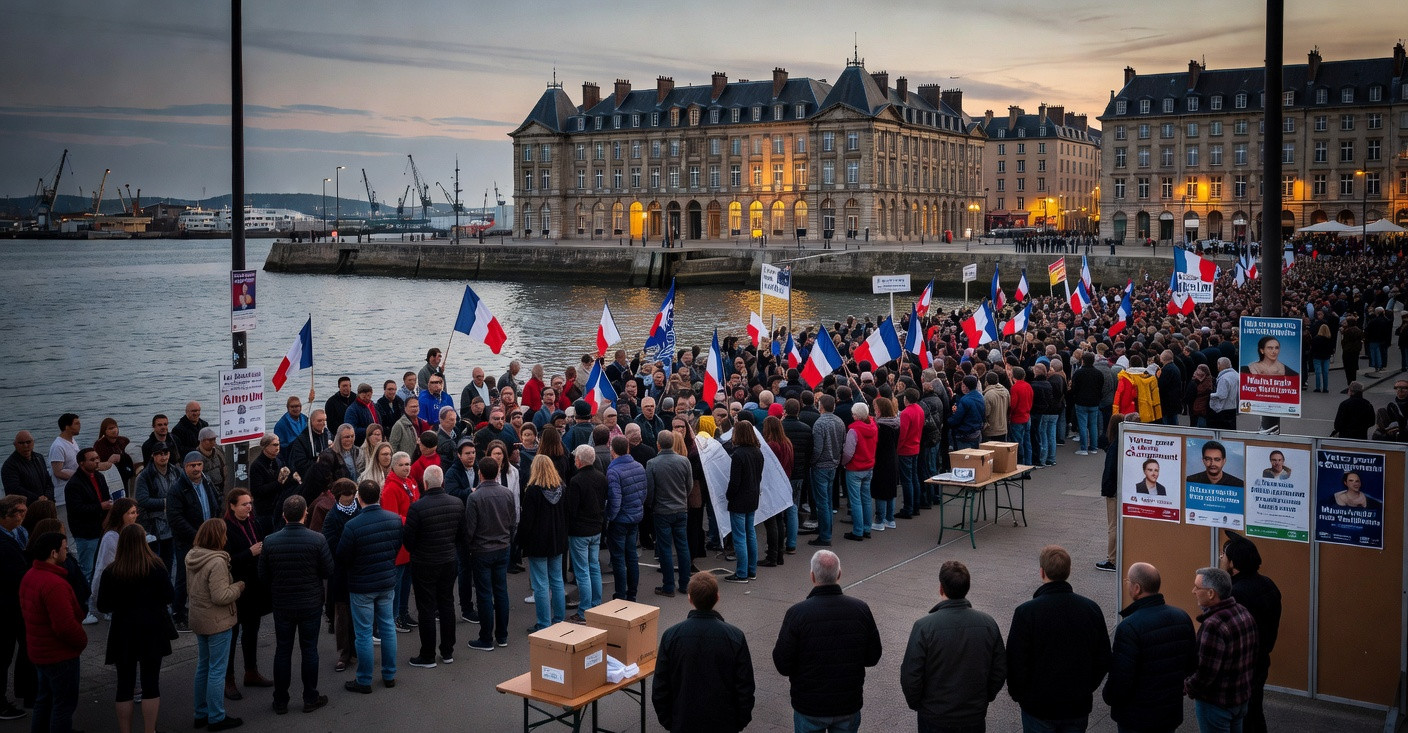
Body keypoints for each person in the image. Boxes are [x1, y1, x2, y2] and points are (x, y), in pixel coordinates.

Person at [771, 550, 881, 733]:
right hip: (848, 703)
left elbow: (782, 664)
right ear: (839, 574)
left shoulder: (797, 614)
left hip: (809, 705)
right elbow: (873, 657)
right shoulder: (860, 610)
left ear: (812, 576)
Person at [1005, 545, 1111, 732]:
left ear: (1042, 572)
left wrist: (1021, 696)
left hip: (1038, 707)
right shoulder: (1090, 609)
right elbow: (1103, 658)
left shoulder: (1026, 612)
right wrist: (1086, 687)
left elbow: (1015, 661)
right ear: (1068, 571)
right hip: (1076, 705)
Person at [900, 560, 1006, 733]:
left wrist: (919, 705)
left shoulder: (924, 627)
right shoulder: (988, 624)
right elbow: (999, 669)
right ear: (967, 588)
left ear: (941, 588)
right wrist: (985, 697)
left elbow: (911, 674)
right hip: (973, 715)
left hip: (935, 716)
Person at [95, 524, 175, 733]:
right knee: (151, 684)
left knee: (124, 685)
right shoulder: (156, 566)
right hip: (152, 629)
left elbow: (102, 605)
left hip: (123, 631)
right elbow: (169, 595)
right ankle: (150, 730)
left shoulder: (112, 571)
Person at [652, 572, 755, 733]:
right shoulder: (734, 637)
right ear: (717, 597)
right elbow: (745, 686)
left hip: (683, 722)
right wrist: (739, 721)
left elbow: (660, 687)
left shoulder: (671, 636)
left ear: (689, 598)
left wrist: (670, 722)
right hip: (724, 723)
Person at [259, 495, 333, 715]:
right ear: (305, 514)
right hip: (310, 603)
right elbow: (329, 571)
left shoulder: (270, 541)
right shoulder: (317, 540)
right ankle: (310, 697)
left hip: (283, 604)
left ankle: (280, 700)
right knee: (309, 649)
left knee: (283, 650)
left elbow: (263, 575)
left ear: (283, 515)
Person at [1103, 562, 1196, 733]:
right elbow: (1191, 664)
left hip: (1136, 717)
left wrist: (1109, 697)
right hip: (1169, 713)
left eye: (1127, 581)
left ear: (1137, 588)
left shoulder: (1129, 626)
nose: (1127, 584)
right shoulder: (1182, 617)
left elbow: (1121, 679)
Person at [336, 480, 402, 693]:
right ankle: (389, 674)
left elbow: (342, 556)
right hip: (386, 582)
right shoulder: (393, 520)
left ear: (359, 498)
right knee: (388, 627)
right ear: (379, 496)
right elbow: (396, 546)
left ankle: (364, 680)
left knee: (363, 633)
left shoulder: (352, 526)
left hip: (362, 585)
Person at [19, 532, 87, 733]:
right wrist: (81, 640)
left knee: (45, 700)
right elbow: (65, 626)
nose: (67, 550)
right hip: (59, 655)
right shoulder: (53, 584)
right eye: (64, 548)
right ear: (53, 553)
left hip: (41, 652)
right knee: (62, 706)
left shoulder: (30, 575)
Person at [186, 518, 246, 731]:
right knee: (217, 670)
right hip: (217, 621)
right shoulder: (217, 562)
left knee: (203, 666)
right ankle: (216, 716)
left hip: (199, 618)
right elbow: (221, 596)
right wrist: (238, 587)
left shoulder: (193, 555)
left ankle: (201, 713)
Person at [403, 464, 465, 668]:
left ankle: (428, 654)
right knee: (447, 604)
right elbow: (461, 536)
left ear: (425, 483)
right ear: (443, 482)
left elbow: (409, 541)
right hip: (448, 560)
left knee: (426, 608)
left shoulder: (417, 507)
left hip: (424, 564)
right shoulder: (456, 503)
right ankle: (447, 651)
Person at [1221, 531, 1281, 733]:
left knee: (1242, 716)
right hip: (1261, 660)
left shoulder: (1235, 594)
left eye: (1224, 555)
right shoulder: (1268, 584)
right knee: (1254, 710)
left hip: (1241, 667)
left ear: (1233, 564)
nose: (1221, 559)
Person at [1186, 567, 1257, 733]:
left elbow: (1205, 673)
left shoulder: (1213, 625)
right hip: (1240, 699)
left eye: (1197, 587)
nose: (1193, 591)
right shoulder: (1243, 612)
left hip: (1216, 703)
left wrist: (1188, 686)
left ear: (1211, 593)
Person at [223, 489, 272, 699]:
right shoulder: (225, 528)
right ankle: (228, 679)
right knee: (231, 636)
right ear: (232, 506)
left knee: (251, 631)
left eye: (250, 503)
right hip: (235, 587)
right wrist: (249, 553)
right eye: (244, 504)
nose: (249, 507)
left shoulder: (255, 523)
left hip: (254, 586)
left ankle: (251, 672)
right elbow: (224, 560)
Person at [465, 456, 516, 651]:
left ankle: (486, 638)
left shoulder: (475, 497)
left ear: (480, 473)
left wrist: (469, 546)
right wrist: (508, 541)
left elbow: (470, 528)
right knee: (501, 591)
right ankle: (502, 636)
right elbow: (512, 522)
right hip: (502, 548)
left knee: (485, 594)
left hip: (481, 551)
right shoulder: (507, 493)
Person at [518, 456, 567, 632]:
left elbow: (527, 521)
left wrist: (520, 541)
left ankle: (544, 622)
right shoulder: (561, 488)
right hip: (557, 540)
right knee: (557, 580)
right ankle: (559, 618)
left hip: (538, 543)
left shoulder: (532, 491)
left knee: (540, 584)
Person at [320, 479, 360, 673]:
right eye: (345, 496)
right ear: (337, 497)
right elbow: (330, 543)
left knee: (359, 612)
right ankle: (345, 652)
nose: (349, 499)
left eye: (352, 495)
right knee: (343, 615)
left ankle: (358, 650)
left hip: (358, 570)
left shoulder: (359, 509)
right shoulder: (332, 516)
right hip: (341, 572)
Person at [646, 431, 693, 597]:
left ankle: (668, 586)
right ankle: (685, 584)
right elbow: (689, 486)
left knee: (665, 548)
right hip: (681, 509)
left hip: (662, 511)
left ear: (658, 444)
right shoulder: (684, 461)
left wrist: (651, 505)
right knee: (682, 546)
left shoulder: (652, 463)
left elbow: (650, 491)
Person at [565, 445, 606, 622]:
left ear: (579, 460)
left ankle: (584, 610)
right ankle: (596, 605)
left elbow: (571, 510)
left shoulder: (576, 481)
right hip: (596, 528)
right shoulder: (601, 477)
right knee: (594, 567)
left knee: (582, 572)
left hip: (580, 531)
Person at [0, 496, 30, 720]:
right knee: (4, 654)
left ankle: (26, 690)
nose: (21, 516)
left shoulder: (20, 533)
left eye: (23, 511)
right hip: (6, 606)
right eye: (16, 513)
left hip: (19, 604)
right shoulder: (4, 541)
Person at [605, 436, 647, 598]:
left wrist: (610, 517)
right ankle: (632, 593)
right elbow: (644, 491)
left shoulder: (613, 471)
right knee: (631, 556)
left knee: (618, 559)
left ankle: (621, 594)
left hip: (620, 520)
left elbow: (615, 500)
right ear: (628, 449)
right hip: (635, 517)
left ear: (613, 450)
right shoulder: (638, 466)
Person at [725, 423, 763, 583]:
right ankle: (751, 570)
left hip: (739, 499)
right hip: (753, 496)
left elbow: (735, 481)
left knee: (739, 537)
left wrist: (729, 495)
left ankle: (741, 573)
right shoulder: (758, 452)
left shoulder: (738, 454)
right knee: (750, 534)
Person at [91, 497, 139, 625]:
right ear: (120, 514)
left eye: (135, 512)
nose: (135, 516)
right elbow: (108, 567)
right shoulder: (111, 537)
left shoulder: (131, 531)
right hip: (119, 588)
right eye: (131, 513)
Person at [808, 394, 845, 547]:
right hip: (833, 465)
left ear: (821, 406)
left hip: (821, 466)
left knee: (822, 502)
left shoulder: (819, 424)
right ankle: (826, 531)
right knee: (827, 501)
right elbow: (843, 443)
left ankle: (825, 535)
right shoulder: (839, 421)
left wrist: (812, 462)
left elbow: (817, 448)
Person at [248, 434, 298, 535]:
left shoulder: (278, 460)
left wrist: (293, 478)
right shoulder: (257, 466)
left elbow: (284, 483)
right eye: (274, 445)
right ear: (265, 447)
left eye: (278, 444)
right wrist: (278, 483)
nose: (278, 447)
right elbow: (257, 491)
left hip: (278, 506)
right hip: (265, 510)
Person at [840, 402, 876, 542]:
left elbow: (848, 452)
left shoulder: (853, 430)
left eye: (854, 414)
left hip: (855, 468)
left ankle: (858, 531)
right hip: (868, 466)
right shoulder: (873, 427)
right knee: (866, 499)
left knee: (856, 501)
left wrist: (843, 462)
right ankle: (867, 528)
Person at [4, 430, 52, 503]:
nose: (25, 445)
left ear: (33, 442)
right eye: (21, 443)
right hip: (24, 508)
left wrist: (47, 497)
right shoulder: (9, 465)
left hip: (44, 504)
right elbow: (13, 489)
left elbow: (48, 481)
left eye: (28, 442)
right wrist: (37, 498)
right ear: (15, 444)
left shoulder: (39, 458)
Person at [1209, 358, 1239, 429]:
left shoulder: (1224, 378)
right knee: (1231, 431)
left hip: (1224, 409)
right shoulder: (1236, 375)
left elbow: (1222, 395)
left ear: (1219, 365)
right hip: (1234, 407)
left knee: (1222, 431)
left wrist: (1211, 395)